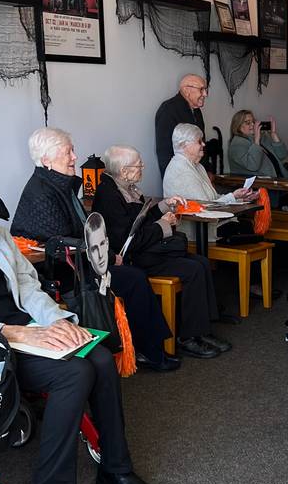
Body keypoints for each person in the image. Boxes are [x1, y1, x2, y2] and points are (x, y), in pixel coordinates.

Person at [0, 176, 158, 484]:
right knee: (73, 374)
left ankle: (115, 468)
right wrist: (14, 333)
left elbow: (28, 287)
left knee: (102, 358)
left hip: (29, 332)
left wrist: (59, 322)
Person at [11, 127, 177, 372]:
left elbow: (80, 236)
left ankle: (148, 348)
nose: (75, 158)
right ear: (46, 160)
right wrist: (108, 258)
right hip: (64, 274)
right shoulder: (42, 193)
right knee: (134, 279)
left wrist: (107, 257)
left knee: (133, 275)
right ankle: (148, 350)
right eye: (68, 152)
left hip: (77, 265)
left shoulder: (56, 186)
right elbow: (63, 242)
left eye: (73, 151)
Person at [92, 145, 230, 359]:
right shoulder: (109, 196)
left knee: (201, 262)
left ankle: (203, 329)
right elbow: (129, 241)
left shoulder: (125, 187)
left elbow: (141, 220)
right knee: (193, 269)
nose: (143, 168)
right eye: (139, 165)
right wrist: (163, 226)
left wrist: (165, 205)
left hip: (148, 251)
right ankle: (189, 337)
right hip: (134, 258)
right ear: (124, 171)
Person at [163, 123, 257, 241]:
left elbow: (213, 198)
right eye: (199, 141)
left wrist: (239, 198)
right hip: (197, 231)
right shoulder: (179, 169)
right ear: (184, 145)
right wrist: (232, 196)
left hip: (212, 223)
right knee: (246, 227)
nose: (203, 144)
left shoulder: (197, 166)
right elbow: (205, 207)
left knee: (248, 225)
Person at [155, 74, 209, 176]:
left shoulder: (197, 111)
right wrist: (174, 178)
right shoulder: (168, 110)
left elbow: (201, 142)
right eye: (201, 89)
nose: (205, 94)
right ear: (187, 90)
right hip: (180, 176)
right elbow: (164, 151)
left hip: (198, 173)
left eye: (205, 89)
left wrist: (206, 171)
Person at [226, 110, 288, 178]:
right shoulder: (237, 144)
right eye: (248, 123)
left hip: (279, 179)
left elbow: (282, 155)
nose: (253, 125)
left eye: (253, 122)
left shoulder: (262, 138)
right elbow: (253, 166)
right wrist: (256, 140)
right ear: (238, 126)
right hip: (259, 185)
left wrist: (273, 134)